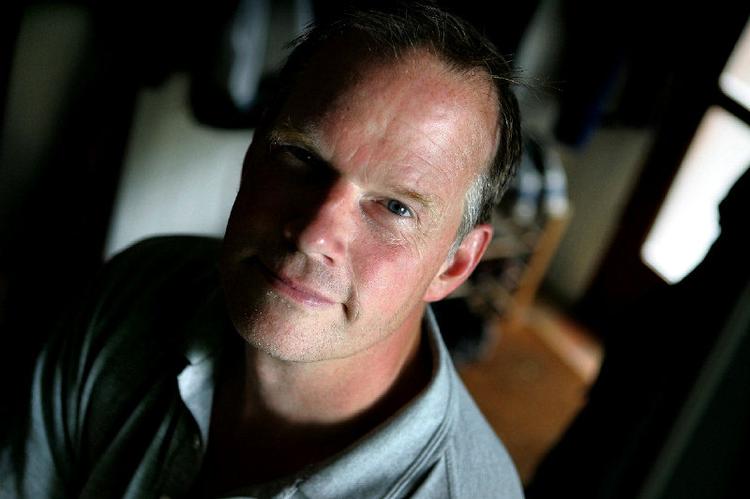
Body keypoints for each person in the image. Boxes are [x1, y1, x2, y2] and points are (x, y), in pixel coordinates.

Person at [0, 2, 524, 497]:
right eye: (301, 157)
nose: (315, 234)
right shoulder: (134, 291)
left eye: (395, 207)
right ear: (252, 155)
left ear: (454, 264)